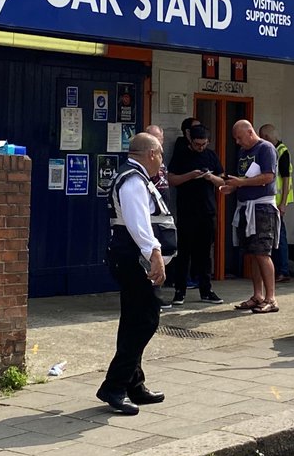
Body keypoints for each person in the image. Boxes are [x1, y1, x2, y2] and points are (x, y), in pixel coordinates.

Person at [96, 132, 176, 416]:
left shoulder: (136, 177)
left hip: (132, 259)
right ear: (151, 154)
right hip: (134, 260)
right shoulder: (133, 180)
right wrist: (154, 253)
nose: (162, 162)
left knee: (133, 321)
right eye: (161, 155)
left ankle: (134, 385)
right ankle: (114, 386)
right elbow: (137, 222)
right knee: (145, 320)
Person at [221, 120, 280, 314]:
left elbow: (268, 177)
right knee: (253, 254)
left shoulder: (266, 148)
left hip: (262, 207)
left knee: (263, 252)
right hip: (246, 207)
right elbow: (244, 179)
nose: (238, 142)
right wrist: (233, 186)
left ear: (249, 132)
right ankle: (258, 295)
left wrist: (241, 183)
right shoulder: (243, 152)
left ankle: (271, 298)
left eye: (239, 137)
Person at [166, 124, 226, 306]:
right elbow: (171, 179)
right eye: (198, 144)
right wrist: (191, 175)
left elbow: (222, 180)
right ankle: (180, 291)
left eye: (204, 144)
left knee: (205, 253)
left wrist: (210, 177)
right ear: (190, 141)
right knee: (184, 253)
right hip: (187, 211)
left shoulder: (211, 155)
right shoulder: (181, 155)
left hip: (207, 211)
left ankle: (206, 290)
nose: (201, 147)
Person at [259, 123, 294, 282]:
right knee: (277, 236)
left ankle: (283, 270)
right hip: (274, 201)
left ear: (266, 137)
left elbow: (285, 179)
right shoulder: (276, 150)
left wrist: (283, 203)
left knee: (280, 236)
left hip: (278, 202)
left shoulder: (282, 152)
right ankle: (281, 269)